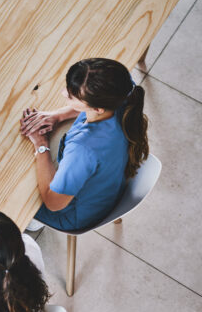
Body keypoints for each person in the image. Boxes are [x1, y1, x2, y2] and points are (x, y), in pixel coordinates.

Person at [19, 58, 149, 231]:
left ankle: (33, 223)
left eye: (72, 95)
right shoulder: (121, 90)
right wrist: (57, 116)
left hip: (73, 214)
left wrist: (41, 145)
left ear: (96, 109)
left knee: (7, 194)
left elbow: (53, 203)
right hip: (107, 189)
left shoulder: (83, 149)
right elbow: (92, 103)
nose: (63, 93)